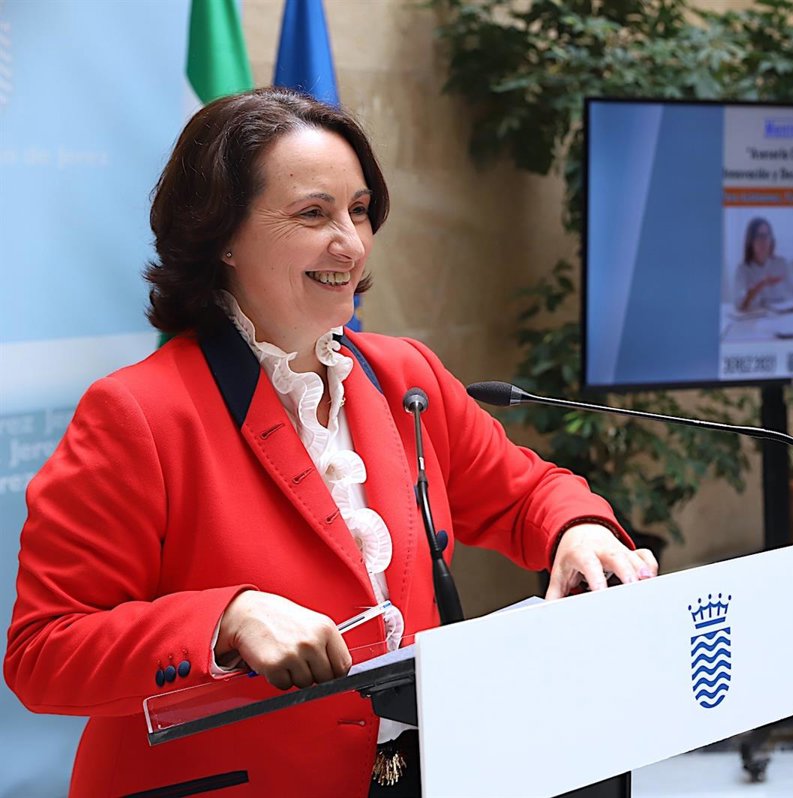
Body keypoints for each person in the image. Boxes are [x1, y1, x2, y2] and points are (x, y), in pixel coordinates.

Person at [4, 88, 657, 797]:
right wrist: (224, 621)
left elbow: (525, 494)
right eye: (313, 214)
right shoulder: (136, 412)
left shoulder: (405, 375)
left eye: (359, 210)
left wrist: (577, 531)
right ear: (222, 236)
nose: (350, 241)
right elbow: (43, 653)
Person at [732, 218, 793, 313]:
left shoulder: (781, 263)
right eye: (759, 236)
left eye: (767, 236)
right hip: (756, 318)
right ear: (750, 240)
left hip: (782, 316)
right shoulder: (742, 269)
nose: (764, 241)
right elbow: (738, 304)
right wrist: (759, 286)